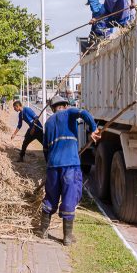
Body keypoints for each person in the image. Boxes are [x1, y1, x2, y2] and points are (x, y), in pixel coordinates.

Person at [38, 95, 101, 246]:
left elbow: (45, 149)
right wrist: (94, 129)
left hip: (53, 166)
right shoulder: (70, 113)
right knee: (69, 197)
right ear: (65, 105)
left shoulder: (48, 122)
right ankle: (67, 238)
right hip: (70, 166)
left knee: (50, 197)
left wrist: (50, 165)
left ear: (53, 109)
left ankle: (42, 232)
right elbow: (84, 113)